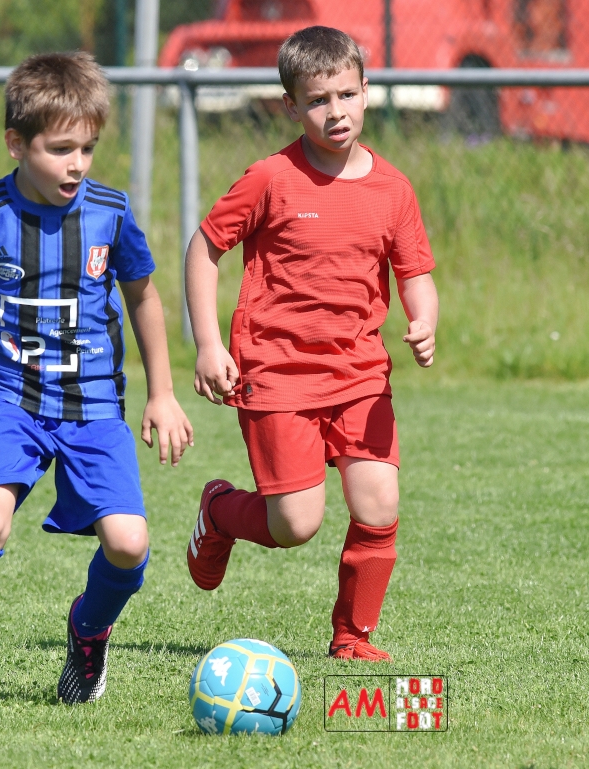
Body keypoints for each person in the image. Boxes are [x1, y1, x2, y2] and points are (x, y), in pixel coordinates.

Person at [0, 52, 193, 712]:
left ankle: (88, 630)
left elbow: (144, 297)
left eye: (88, 148)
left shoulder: (110, 211)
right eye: (60, 149)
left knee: (129, 543)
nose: (77, 164)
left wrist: (163, 393)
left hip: (95, 405)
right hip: (10, 401)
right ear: (16, 144)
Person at [184, 26, 439, 662]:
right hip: (277, 373)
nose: (336, 111)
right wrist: (209, 344)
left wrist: (423, 320)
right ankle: (220, 511)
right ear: (291, 106)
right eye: (319, 100)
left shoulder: (393, 188)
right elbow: (203, 249)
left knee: (378, 503)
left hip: (360, 372)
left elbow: (415, 272)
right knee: (296, 524)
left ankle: (352, 638)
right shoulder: (270, 178)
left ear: (366, 92)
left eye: (347, 95)